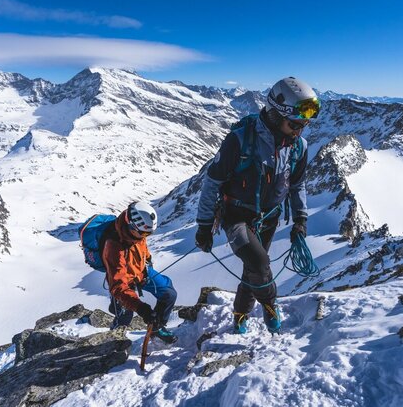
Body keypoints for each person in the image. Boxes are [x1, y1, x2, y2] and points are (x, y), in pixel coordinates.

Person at [195, 77, 319, 334]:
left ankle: (240, 314)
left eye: (303, 125)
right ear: (276, 114)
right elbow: (212, 182)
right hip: (236, 216)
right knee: (260, 264)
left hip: (269, 217)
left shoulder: (299, 147)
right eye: (294, 124)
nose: (299, 131)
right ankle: (270, 305)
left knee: (252, 269)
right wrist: (204, 225)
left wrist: (301, 219)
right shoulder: (240, 140)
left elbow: (297, 185)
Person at [102, 201, 178, 343]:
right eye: (143, 233)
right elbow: (118, 286)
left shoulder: (137, 232)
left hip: (141, 272)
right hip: (123, 283)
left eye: (148, 233)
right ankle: (112, 343)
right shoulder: (113, 246)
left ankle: (157, 327)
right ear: (131, 225)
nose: (145, 236)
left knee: (169, 294)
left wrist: (147, 260)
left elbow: (142, 249)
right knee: (125, 316)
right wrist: (141, 308)